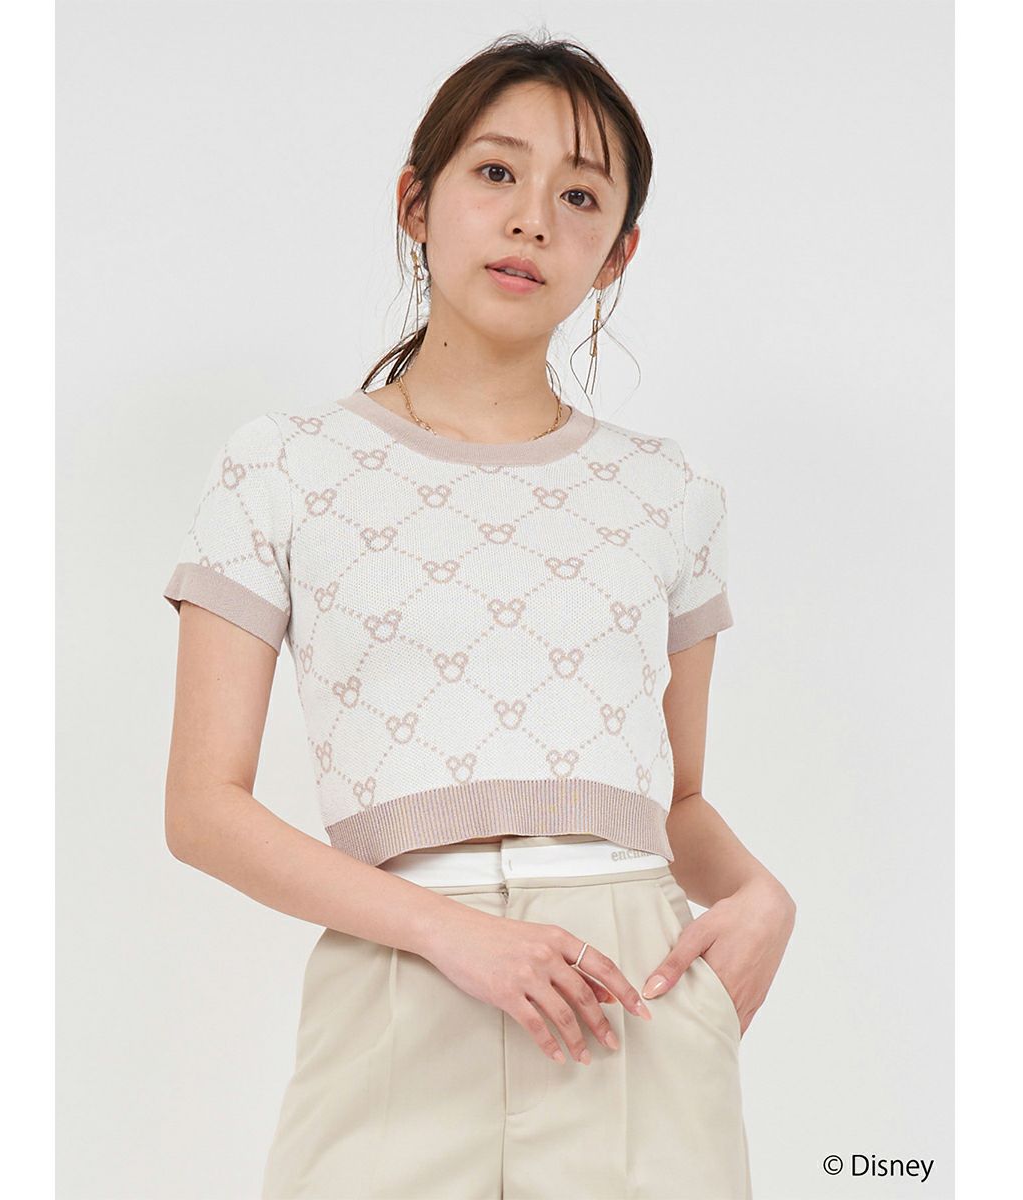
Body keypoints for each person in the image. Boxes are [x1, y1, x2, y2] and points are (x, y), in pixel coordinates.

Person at [162, 32, 795, 1200]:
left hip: (626, 1009)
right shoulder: (283, 468)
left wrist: (762, 898)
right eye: (496, 172)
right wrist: (449, 931)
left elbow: (678, 801)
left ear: (618, 252)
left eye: (580, 196)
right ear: (417, 200)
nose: (532, 220)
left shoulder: (669, 493)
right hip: (398, 996)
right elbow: (203, 811)